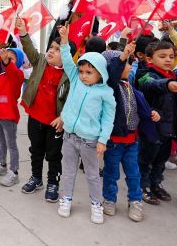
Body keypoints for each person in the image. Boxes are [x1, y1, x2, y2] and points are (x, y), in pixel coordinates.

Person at [56, 25, 116, 224]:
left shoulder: (106, 93)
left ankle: (96, 204)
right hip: (70, 137)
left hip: (90, 141)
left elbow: (108, 119)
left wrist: (102, 140)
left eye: (89, 72)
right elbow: (66, 61)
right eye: (81, 70)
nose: (83, 75)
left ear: (100, 73)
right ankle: (66, 198)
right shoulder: (75, 80)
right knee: (68, 171)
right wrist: (64, 41)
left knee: (92, 175)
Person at [16, 18, 75, 203]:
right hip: (35, 117)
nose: (52, 51)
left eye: (58, 50)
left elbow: (71, 100)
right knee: (36, 150)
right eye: (51, 47)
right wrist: (24, 32)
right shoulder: (40, 61)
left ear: (67, 55)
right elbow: (30, 50)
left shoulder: (70, 75)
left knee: (54, 154)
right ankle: (36, 178)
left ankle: (53, 182)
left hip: (55, 123)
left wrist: (63, 117)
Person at [101, 45, 159, 222]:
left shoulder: (129, 86)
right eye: (126, 63)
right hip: (114, 142)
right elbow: (114, 71)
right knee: (111, 173)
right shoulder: (109, 87)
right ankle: (109, 199)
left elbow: (140, 108)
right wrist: (123, 54)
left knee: (134, 173)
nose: (129, 66)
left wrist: (152, 114)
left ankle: (135, 200)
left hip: (132, 142)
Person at [135, 41, 177, 205]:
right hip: (151, 128)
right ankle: (142, 186)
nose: (168, 60)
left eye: (171, 56)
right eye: (162, 56)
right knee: (146, 159)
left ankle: (156, 183)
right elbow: (150, 85)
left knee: (161, 160)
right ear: (149, 59)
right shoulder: (146, 74)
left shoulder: (175, 76)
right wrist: (167, 84)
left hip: (169, 128)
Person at [0, 47, 25, 187]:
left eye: (11, 58)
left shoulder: (18, 75)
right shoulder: (1, 76)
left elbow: (12, 70)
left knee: (11, 144)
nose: (6, 60)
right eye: (5, 58)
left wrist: (7, 62)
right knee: (1, 143)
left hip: (9, 116)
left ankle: (14, 172)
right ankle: (1, 164)